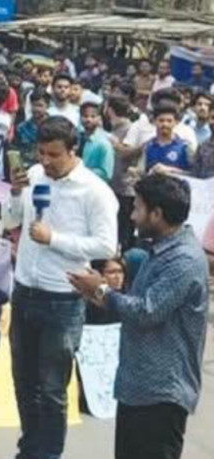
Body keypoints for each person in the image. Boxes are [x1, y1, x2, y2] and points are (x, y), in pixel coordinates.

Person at [68, 173, 208, 459]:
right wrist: (98, 293)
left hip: (162, 394)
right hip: (138, 387)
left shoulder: (184, 260)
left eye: (138, 208)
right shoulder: (158, 251)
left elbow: (147, 311)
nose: (132, 216)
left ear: (157, 214)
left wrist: (103, 291)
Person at [4, 117, 117, 459]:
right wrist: (13, 194)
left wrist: (55, 239)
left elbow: (105, 246)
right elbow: (11, 221)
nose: (46, 161)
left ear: (73, 151)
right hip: (24, 292)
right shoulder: (35, 177)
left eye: (54, 154)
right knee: (23, 382)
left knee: (52, 389)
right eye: (41, 153)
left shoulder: (95, 191)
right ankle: (31, 447)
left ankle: (47, 454)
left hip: (63, 301)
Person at [144, 102, 191, 173]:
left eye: (169, 121)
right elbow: (142, 171)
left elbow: (193, 174)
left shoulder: (185, 146)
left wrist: (170, 170)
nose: (165, 124)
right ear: (154, 121)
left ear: (176, 122)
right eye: (161, 120)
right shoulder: (148, 145)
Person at [79, 101, 114, 183]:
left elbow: (106, 173)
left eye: (93, 116)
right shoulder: (77, 137)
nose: (88, 119)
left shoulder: (103, 143)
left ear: (99, 119)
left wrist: (81, 171)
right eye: (85, 116)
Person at [14, 89, 49, 170]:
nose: (36, 109)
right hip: (27, 170)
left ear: (47, 106)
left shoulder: (55, 127)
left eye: (40, 105)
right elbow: (15, 152)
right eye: (33, 105)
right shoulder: (21, 128)